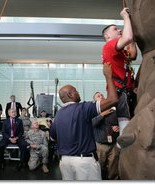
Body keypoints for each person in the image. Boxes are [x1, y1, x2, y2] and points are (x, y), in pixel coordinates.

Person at [50, 63, 118, 180]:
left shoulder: (58, 115)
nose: (78, 93)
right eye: (76, 91)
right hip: (84, 163)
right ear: (70, 94)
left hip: (65, 163)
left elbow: (52, 137)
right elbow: (113, 99)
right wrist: (108, 76)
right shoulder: (83, 108)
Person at [102, 7, 137, 139]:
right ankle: (123, 143)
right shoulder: (109, 46)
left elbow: (132, 55)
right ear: (107, 35)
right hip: (119, 89)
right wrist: (125, 16)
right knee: (125, 122)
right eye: (115, 29)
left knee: (128, 118)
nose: (119, 30)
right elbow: (127, 37)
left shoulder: (119, 51)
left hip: (125, 88)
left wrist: (131, 37)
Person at [92, 92, 120, 180]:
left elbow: (118, 124)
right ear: (94, 101)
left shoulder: (114, 111)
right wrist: (102, 114)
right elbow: (92, 123)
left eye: (102, 95)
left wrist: (117, 127)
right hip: (100, 146)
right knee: (99, 169)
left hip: (113, 145)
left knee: (114, 170)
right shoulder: (93, 112)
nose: (101, 96)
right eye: (98, 96)